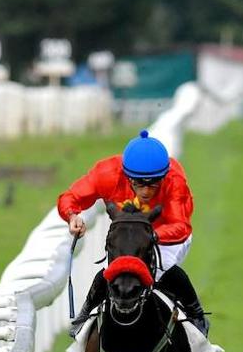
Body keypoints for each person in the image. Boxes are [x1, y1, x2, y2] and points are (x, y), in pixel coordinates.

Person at [58, 130, 208, 336]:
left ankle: (196, 313)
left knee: (160, 268)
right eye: (139, 183)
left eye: (153, 183)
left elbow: (181, 227)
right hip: (127, 236)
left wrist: (151, 237)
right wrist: (72, 216)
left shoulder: (174, 180)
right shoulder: (107, 173)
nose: (146, 191)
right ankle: (85, 315)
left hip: (166, 237)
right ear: (126, 175)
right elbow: (70, 197)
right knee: (109, 271)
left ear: (164, 176)